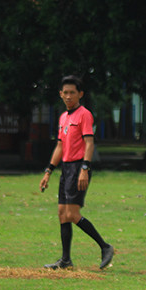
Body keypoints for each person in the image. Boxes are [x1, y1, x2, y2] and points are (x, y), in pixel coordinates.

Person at [39, 75, 114, 270]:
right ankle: (65, 260)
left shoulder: (84, 114)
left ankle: (105, 246)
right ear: (60, 94)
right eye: (65, 92)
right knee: (62, 213)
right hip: (66, 168)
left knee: (72, 214)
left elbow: (89, 143)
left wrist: (85, 168)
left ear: (80, 94)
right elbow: (60, 146)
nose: (68, 96)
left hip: (78, 167)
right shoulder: (63, 117)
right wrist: (49, 171)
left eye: (72, 92)